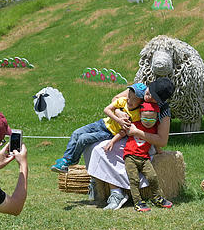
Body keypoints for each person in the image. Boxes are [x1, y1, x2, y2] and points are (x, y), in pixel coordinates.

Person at [85, 78, 175, 210]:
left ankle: (119, 192)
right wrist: (119, 112)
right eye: (149, 93)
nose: (148, 98)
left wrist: (137, 132)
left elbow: (162, 141)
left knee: (109, 151)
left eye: (154, 98)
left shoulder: (164, 111)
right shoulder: (139, 90)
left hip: (143, 143)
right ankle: (110, 188)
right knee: (96, 147)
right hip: (125, 135)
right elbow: (116, 99)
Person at [50, 83, 146, 173]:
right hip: (102, 123)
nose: (130, 100)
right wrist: (118, 120)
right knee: (76, 133)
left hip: (110, 133)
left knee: (83, 138)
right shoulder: (122, 101)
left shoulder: (136, 115)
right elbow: (106, 109)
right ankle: (66, 159)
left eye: (134, 99)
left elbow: (123, 132)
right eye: (129, 96)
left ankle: (72, 161)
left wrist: (112, 141)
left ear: (140, 101)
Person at [112, 101, 173, 212]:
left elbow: (155, 141)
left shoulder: (154, 129)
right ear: (140, 115)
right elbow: (122, 133)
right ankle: (138, 202)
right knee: (134, 180)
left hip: (144, 158)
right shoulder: (134, 125)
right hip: (130, 156)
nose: (148, 122)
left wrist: (159, 150)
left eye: (152, 119)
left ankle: (156, 197)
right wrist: (111, 142)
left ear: (156, 118)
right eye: (145, 119)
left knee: (153, 177)